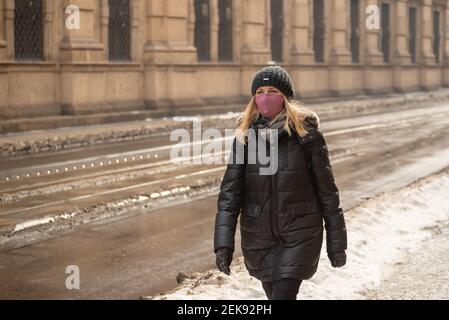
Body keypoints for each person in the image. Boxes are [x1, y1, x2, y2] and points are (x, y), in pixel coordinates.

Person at [213, 65, 347, 300]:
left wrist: (337, 243)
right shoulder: (245, 139)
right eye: (260, 91)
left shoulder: (307, 135)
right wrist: (223, 244)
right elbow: (229, 195)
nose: (265, 97)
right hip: (258, 237)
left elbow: (327, 192)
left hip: (300, 233)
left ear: (285, 96)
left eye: (273, 90)